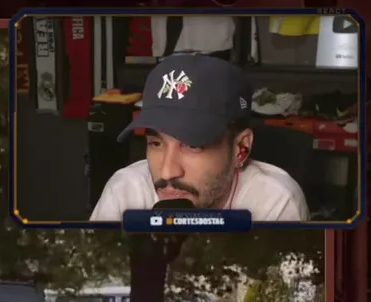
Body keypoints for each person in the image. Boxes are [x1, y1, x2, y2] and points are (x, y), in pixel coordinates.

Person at [90, 53, 309, 222]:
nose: (167, 172)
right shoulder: (126, 191)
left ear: (240, 149)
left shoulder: (275, 202)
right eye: (156, 143)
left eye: (193, 145)